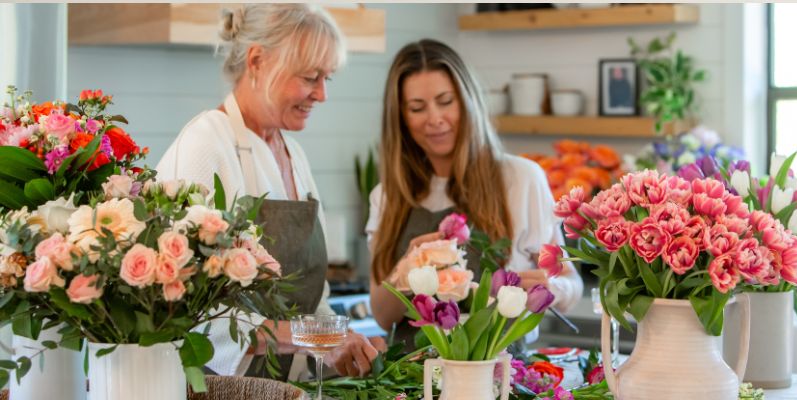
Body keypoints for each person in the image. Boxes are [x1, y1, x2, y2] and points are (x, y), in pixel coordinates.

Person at [156, 4, 383, 380]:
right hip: (217, 387)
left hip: (292, 386)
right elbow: (191, 313)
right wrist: (313, 336)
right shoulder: (207, 144)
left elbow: (315, 298)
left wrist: (338, 344)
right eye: (310, 77)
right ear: (258, 61)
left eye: (328, 78)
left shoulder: (294, 154)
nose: (322, 95)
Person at [366, 39, 583, 350]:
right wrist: (408, 267)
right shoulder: (387, 196)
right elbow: (384, 317)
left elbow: (571, 281)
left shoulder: (522, 180)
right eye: (417, 108)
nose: (435, 118)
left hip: (503, 378)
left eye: (445, 101)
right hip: (411, 381)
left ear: (467, 101)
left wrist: (552, 288)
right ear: (400, 118)